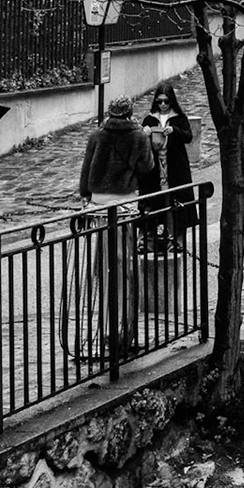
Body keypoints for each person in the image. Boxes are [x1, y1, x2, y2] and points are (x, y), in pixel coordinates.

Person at [76, 99, 157, 352]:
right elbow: (147, 167)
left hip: (99, 202)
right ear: (131, 113)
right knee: (125, 266)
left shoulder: (97, 135)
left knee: (105, 263)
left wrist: (85, 196)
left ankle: (108, 327)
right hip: (124, 203)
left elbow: (86, 170)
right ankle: (120, 333)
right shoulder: (137, 136)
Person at [140, 85, 195, 244]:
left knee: (176, 201)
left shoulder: (179, 117)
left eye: (166, 101)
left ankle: (177, 238)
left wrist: (175, 131)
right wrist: (145, 133)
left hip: (175, 167)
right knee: (154, 202)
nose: (163, 105)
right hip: (154, 169)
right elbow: (140, 141)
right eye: (160, 101)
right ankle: (151, 239)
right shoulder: (150, 119)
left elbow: (188, 137)